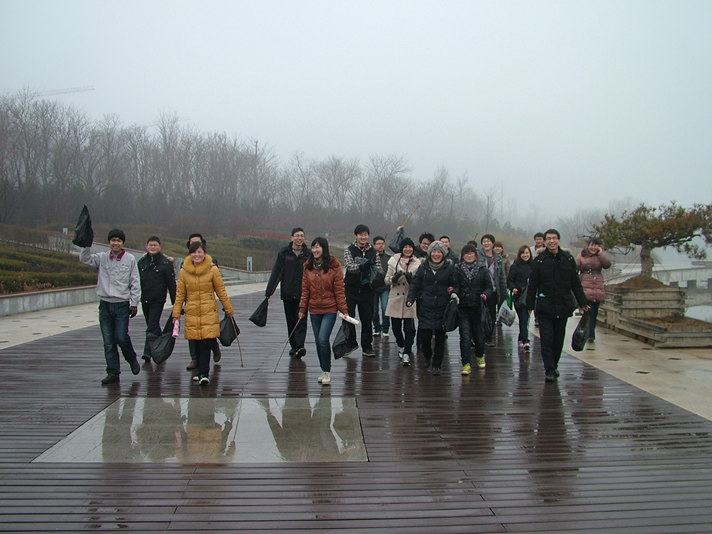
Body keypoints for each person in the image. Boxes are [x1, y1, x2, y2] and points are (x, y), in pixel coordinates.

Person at [80, 228, 141, 385]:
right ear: (109, 242)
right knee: (108, 341)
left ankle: (131, 358)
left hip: (121, 305)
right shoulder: (102, 258)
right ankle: (113, 372)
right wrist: (86, 244)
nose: (115, 243)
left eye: (118, 240)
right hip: (105, 305)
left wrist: (134, 303)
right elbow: (84, 259)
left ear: (122, 243)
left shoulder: (130, 259)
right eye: (113, 240)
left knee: (121, 336)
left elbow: (135, 282)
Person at [526, 229, 589, 382]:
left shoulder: (568, 259)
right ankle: (549, 369)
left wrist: (582, 302)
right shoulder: (539, 261)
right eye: (548, 239)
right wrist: (529, 306)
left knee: (558, 339)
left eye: (554, 238)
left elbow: (575, 283)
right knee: (546, 338)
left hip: (563, 305)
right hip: (545, 306)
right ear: (545, 242)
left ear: (559, 240)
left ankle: (554, 365)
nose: (551, 241)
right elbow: (532, 285)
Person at [172, 240, 234, 385]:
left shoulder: (212, 270)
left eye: (199, 252)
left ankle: (204, 373)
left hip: (208, 311)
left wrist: (228, 309)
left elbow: (221, 291)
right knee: (196, 343)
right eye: (194, 252)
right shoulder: (184, 271)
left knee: (206, 342)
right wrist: (176, 314)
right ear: (190, 254)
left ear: (204, 253)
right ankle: (200, 371)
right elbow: (180, 294)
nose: (197, 255)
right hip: (192, 311)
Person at [299, 237, 349, 386]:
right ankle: (323, 370)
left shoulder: (334, 267)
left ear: (324, 248)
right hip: (314, 309)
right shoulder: (307, 267)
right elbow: (305, 290)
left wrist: (344, 310)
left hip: (330, 308)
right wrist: (302, 308)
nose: (315, 250)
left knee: (323, 339)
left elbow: (339, 290)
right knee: (317, 341)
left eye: (318, 247)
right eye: (313, 247)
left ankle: (327, 371)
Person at [406, 240, 456, 375]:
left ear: (443, 254)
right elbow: (415, 285)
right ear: (430, 253)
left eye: (439, 252)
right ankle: (427, 355)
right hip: (425, 306)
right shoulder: (423, 268)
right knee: (425, 336)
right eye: (434, 251)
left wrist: (453, 292)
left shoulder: (449, 268)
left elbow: (455, 284)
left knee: (440, 337)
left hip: (442, 307)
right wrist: (410, 299)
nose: (436, 254)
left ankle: (437, 364)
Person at [265, 227, 309, 358]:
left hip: (303, 293)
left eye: (301, 236)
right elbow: (277, 273)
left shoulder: (308, 254)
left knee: (301, 320)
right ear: (292, 238)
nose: (299, 238)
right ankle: (294, 346)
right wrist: (269, 292)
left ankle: (300, 346)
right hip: (288, 293)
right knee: (291, 321)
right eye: (297, 235)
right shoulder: (284, 253)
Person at [452, 244, 493, 374]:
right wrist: (453, 292)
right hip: (463, 307)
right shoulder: (457, 269)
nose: (469, 256)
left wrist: (485, 294)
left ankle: (480, 355)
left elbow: (489, 287)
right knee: (465, 337)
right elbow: (455, 285)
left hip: (478, 307)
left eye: (471, 253)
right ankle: (466, 363)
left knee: (479, 336)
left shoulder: (482, 269)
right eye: (466, 253)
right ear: (462, 255)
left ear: (476, 255)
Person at [343, 224, 382, 357]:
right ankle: (351, 343)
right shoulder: (349, 250)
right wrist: (363, 266)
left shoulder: (373, 252)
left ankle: (367, 346)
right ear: (356, 236)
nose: (363, 237)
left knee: (367, 319)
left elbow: (379, 269)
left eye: (365, 235)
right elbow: (349, 267)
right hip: (351, 289)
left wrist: (374, 274)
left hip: (367, 291)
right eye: (361, 235)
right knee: (348, 317)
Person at [184, 233, 222, 369]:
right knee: (192, 332)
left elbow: (219, 286)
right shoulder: (185, 265)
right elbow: (181, 288)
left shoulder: (212, 263)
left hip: (206, 305)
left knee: (207, 332)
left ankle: (214, 348)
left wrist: (227, 307)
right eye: (192, 244)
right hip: (192, 304)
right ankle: (194, 359)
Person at [138, 236, 177, 362]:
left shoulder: (166, 264)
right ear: (146, 246)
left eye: (155, 245)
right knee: (152, 326)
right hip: (145, 299)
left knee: (152, 325)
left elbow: (171, 285)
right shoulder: (142, 262)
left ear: (160, 247)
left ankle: (148, 352)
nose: (153, 247)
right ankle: (160, 344)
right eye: (151, 245)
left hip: (158, 300)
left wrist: (176, 304)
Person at [384, 237, 420, 366]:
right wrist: (394, 278)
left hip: (409, 298)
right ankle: (401, 346)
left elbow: (420, 282)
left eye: (410, 247)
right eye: (405, 247)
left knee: (409, 328)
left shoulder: (417, 263)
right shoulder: (393, 261)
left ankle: (407, 352)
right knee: (396, 327)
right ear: (402, 248)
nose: (408, 249)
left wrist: (412, 280)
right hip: (395, 298)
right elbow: (386, 280)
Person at [576, 238, 612, 344]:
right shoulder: (582, 254)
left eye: (596, 245)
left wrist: (601, 254)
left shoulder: (600, 256)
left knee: (594, 312)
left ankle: (589, 332)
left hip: (597, 286)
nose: (593, 247)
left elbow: (607, 265)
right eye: (592, 245)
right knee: (589, 311)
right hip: (585, 285)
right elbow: (576, 266)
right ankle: (590, 334)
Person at [478, 234, 507, 346]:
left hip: (493, 291)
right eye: (484, 241)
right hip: (480, 290)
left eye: (488, 241)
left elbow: (501, 277)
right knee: (478, 315)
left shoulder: (498, 259)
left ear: (493, 244)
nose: (486, 243)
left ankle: (489, 337)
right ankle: (477, 337)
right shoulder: (477, 255)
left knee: (491, 315)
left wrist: (504, 295)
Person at [508, 245, 533, 350]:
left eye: (527, 253)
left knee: (525, 319)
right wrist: (513, 288)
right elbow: (509, 281)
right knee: (523, 318)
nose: (525, 255)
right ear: (520, 254)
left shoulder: (534, 266)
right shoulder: (515, 266)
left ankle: (522, 338)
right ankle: (525, 340)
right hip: (519, 297)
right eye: (523, 253)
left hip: (530, 296)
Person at [371, 235, 391, 338]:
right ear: (374, 245)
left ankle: (385, 329)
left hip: (385, 287)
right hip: (373, 287)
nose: (381, 246)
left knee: (385, 307)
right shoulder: (371, 257)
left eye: (382, 244)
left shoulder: (389, 258)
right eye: (378, 244)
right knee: (374, 309)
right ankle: (377, 328)